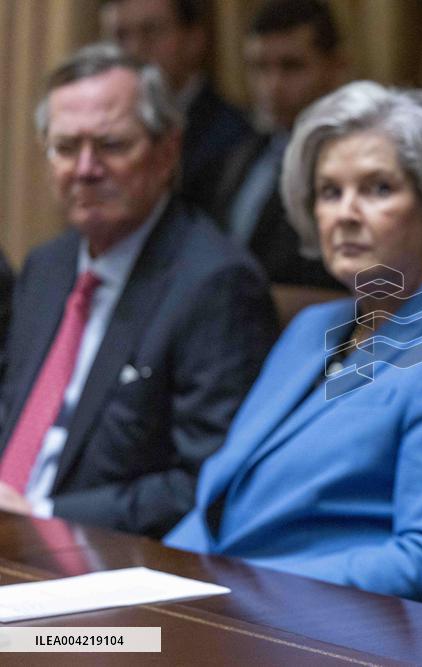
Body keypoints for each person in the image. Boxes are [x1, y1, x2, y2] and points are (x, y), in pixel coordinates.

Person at [165, 81, 422, 606]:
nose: (345, 212)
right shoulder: (310, 327)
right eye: (329, 192)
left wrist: (235, 592)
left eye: (378, 189)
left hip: (320, 633)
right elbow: (221, 504)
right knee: (49, 646)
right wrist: (151, 580)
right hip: (218, 609)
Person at [0, 44, 276, 537]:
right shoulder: (47, 266)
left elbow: (204, 483)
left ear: (167, 151)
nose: (84, 168)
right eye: (65, 148)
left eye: (110, 145)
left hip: (95, 564)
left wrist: (38, 514)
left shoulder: (215, 284)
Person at [212, 0, 347, 288]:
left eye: (291, 67)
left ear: (335, 67)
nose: (272, 85)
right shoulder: (244, 148)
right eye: (260, 67)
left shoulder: (351, 164)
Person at [100, 0, 252, 211]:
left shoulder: (237, 137)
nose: (134, 50)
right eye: (120, 36)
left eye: (151, 31)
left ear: (194, 39)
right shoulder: (95, 130)